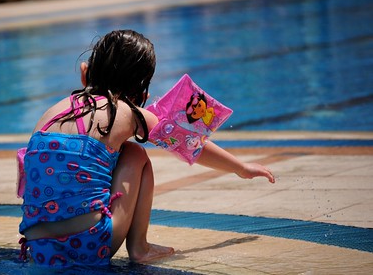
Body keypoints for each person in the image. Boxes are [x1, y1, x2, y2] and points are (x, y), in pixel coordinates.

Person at [18, 29, 275, 267]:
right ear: (141, 89)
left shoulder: (51, 113)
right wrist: (241, 168)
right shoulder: (129, 113)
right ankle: (139, 247)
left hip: (38, 247)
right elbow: (190, 145)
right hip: (89, 245)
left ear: (85, 72)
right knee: (135, 153)